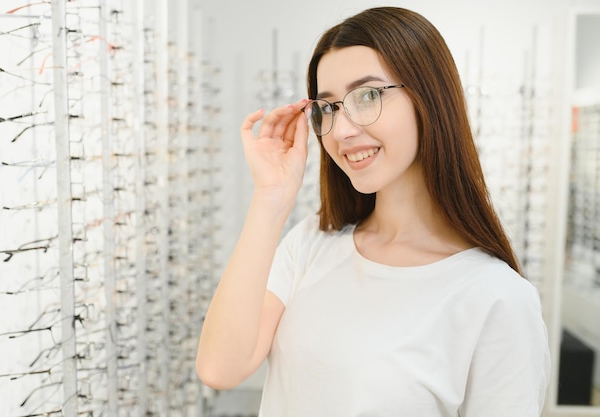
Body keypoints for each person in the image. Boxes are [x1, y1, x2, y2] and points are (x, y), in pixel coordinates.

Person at [196, 6, 551, 417]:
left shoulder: (497, 298)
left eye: (367, 96)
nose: (343, 130)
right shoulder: (313, 243)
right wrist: (270, 198)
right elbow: (220, 367)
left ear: (429, 97)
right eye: (328, 108)